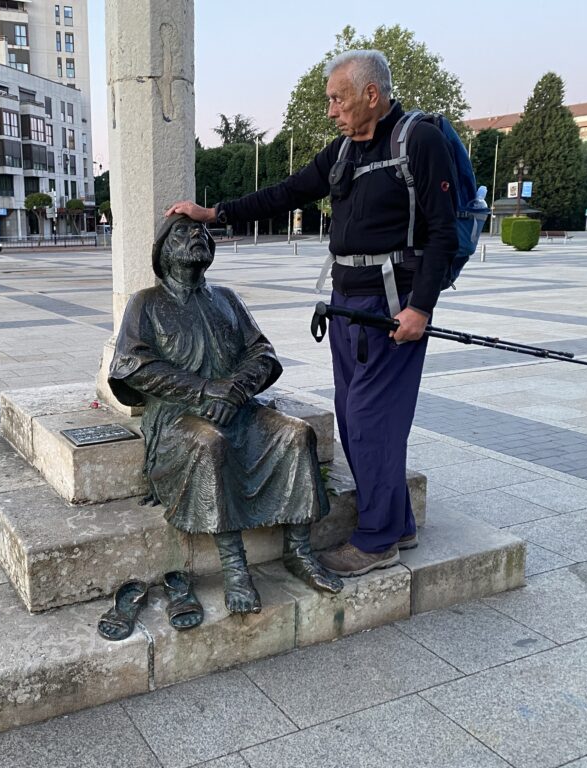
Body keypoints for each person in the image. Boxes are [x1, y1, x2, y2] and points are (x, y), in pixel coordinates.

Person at [166, 50, 458, 577]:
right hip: (347, 305)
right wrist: (215, 213)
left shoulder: (418, 140)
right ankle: (399, 523)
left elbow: (442, 231)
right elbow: (288, 192)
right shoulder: (344, 150)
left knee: (369, 422)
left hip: (392, 309)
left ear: (371, 94)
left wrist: (420, 307)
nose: (331, 110)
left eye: (337, 99)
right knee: (355, 416)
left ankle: (377, 540)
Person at [108, 214, 343, 614]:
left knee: (297, 434)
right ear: (163, 252)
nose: (197, 235)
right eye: (183, 232)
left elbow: (263, 353)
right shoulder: (145, 303)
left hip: (239, 408)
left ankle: (299, 551)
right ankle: (235, 568)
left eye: (201, 230)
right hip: (178, 417)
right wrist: (203, 389)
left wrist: (235, 390)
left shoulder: (227, 299)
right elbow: (131, 365)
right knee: (210, 443)